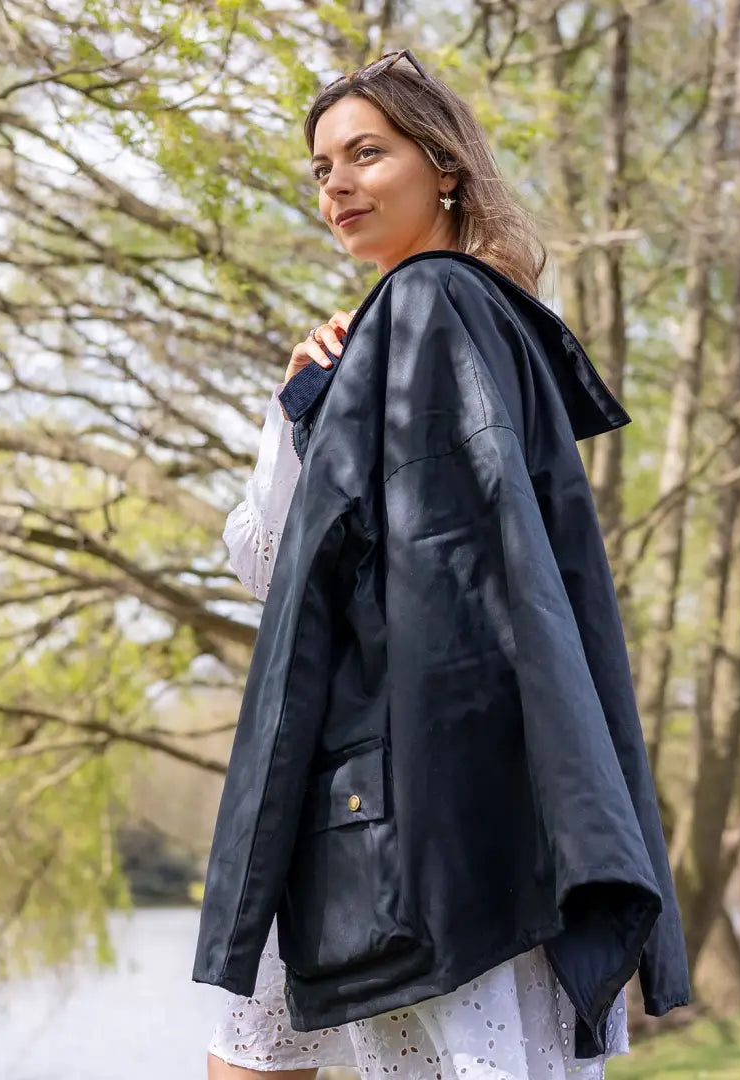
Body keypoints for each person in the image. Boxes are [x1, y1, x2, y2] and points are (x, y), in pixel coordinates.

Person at [198, 48, 690, 1080]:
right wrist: (299, 417)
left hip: (429, 790)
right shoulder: (385, 335)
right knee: (251, 1050)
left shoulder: (438, 305)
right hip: (380, 778)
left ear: (444, 164)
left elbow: (461, 579)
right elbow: (265, 563)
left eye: (365, 154)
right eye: (322, 166)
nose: (336, 184)